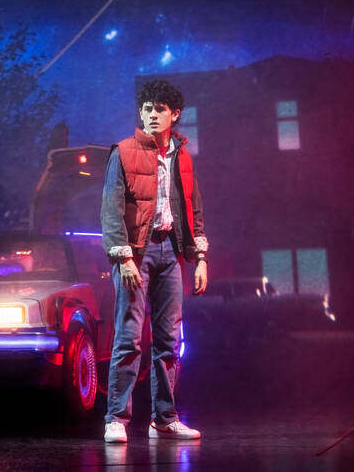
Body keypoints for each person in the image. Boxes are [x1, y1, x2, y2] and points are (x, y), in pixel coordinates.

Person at [101, 80, 208, 443]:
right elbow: (111, 211)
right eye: (146, 108)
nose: (151, 114)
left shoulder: (182, 155)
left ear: (174, 114)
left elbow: (193, 208)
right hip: (137, 255)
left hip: (170, 254)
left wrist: (200, 257)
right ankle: (116, 418)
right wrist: (124, 257)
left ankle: (164, 417)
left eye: (159, 109)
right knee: (129, 338)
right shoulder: (124, 151)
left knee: (169, 340)